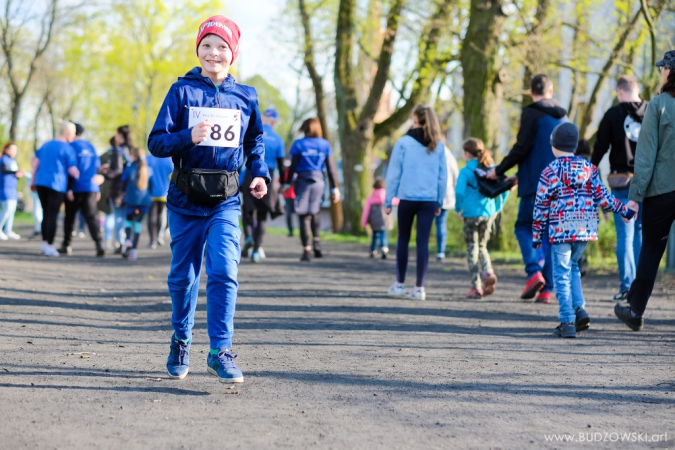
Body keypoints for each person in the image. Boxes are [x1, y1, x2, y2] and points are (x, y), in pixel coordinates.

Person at [148, 15, 270, 383]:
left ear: (232, 52)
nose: (213, 53)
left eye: (221, 47)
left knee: (224, 271)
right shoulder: (181, 91)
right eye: (207, 46)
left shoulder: (245, 95)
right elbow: (156, 142)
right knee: (183, 279)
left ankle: (221, 350)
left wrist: (259, 173)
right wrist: (188, 136)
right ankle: (181, 339)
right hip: (185, 197)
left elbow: (254, 141)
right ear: (198, 50)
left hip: (226, 200)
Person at [533, 123, 634, 338]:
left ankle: (567, 320)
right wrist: (623, 210)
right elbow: (603, 197)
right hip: (584, 229)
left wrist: (536, 234)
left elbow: (541, 205)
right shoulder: (589, 169)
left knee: (561, 274)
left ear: (554, 145)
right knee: (573, 268)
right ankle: (580, 309)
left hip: (561, 230)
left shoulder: (550, 171)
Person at [487, 74, 568, 303]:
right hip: (561, 184)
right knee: (553, 236)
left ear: (531, 92)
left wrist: (499, 170)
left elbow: (522, 147)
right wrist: (516, 175)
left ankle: (533, 272)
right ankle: (546, 290)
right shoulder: (564, 116)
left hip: (536, 184)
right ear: (550, 91)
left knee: (524, 227)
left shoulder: (531, 112)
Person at [615, 51, 675, 331]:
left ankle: (636, 311)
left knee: (651, 250)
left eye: (663, 67)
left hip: (661, 192)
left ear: (670, 71)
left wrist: (635, 197)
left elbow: (646, 155)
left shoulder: (659, 105)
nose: (661, 72)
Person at [591, 75, 646, 300]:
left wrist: (590, 169)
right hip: (647, 182)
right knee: (640, 233)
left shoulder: (612, 114)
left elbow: (600, 147)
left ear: (620, 91)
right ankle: (641, 286)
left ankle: (627, 286)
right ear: (636, 90)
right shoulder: (653, 111)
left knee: (625, 234)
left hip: (622, 183)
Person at [385, 105, 448, 300]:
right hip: (429, 200)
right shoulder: (438, 145)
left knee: (403, 239)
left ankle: (400, 284)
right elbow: (442, 177)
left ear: (415, 120)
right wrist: (439, 201)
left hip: (407, 198)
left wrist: (388, 199)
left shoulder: (403, 143)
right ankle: (419, 288)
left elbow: (394, 174)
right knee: (423, 243)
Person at [455, 138, 510, 299]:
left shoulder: (465, 172)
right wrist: (497, 209)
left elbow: (459, 192)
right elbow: (505, 189)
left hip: (471, 213)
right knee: (482, 246)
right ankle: (488, 272)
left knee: (472, 248)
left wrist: (459, 209)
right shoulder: (489, 169)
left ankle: (476, 286)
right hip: (488, 213)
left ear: (466, 153)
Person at [284, 117, 340, 261]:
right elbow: (331, 168)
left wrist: (286, 183)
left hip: (302, 181)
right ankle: (316, 241)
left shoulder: (298, 144)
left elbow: (293, 167)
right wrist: (335, 188)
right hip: (319, 181)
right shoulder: (325, 144)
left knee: (303, 215)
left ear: (304, 128)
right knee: (314, 211)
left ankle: (306, 249)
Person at [242, 108, 285, 262]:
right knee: (262, 215)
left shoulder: (252, 134)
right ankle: (255, 250)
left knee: (247, 210)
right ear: (273, 122)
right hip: (269, 177)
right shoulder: (278, 139)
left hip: (250, 174)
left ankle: (247, 237)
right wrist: (284, 184)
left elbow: (241, 156)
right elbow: (281, 165)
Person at [31, 121, 80, 257]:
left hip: (41, 182)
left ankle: (44, 243)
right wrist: (80, 174)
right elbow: (72, 170)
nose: (74, 136)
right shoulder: (68, 148)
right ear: (67, 132)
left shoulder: (46, 145)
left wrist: (33, 181)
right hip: (57, 184)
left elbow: (35, 163)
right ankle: (50, 245)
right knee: (52, 215)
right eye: (73, 133)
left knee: (46, 213)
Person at [58, 123, 105, 257]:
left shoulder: (70, 146)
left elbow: (70, 169)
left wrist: (68, 188)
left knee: (70, 217)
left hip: (75, 188)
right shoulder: (91, 147)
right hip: (90, 187)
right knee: (92, 217)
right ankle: (99, 243)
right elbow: (97, 169)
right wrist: (97, 188)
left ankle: (66, 245)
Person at [120, 147, 152, 261]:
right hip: (144, 202)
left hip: (130, 201)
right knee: (138, 224)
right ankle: (134, 249)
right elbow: (151, 186)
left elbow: (122, 184)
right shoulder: (148, 169)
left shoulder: (129, 168)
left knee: (128, 221)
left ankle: (128, 239)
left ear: (133, 156)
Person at [99, 135, 127, 252]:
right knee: (118, 217)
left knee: (110, 216)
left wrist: (106, 172)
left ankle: (108, 241)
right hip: (119, 189)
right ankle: (120, 242)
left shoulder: (104, 155)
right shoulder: (123, 154)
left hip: (108, 189)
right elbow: (119, 170)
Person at [435, 144, 459, 261]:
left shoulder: (429, 152)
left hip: (431, 195)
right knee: (441, 224)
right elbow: (456, 176)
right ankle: (440, 251)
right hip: (446, 195)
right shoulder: (449, 155)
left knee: (426, 223)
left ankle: (423, 249)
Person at [145, 151, 173, 249]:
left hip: (150, 193)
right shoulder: (167, 160)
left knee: (152, 216)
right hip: (164, 192)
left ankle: (152, 240)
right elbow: (172, 176)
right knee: (161, 214)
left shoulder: (147, 159)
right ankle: (159, 236)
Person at [361, 177, 393, 259]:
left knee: (375, 235)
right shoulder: (387, 196)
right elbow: (395, 201)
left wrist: (363, 222)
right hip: (384, 220)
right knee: (383, 234)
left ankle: (373, 250)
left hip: (374, 220)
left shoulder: (371, 197)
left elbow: (366, 211)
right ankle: (384, 248)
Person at [0, 142, 25, 240]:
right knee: (7, 210)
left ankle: (8, 230)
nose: (14, 152)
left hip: (12, 188)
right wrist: (16, 172)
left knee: (12, 210)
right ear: (6, 149)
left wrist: (18, 175)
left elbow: (13, 175)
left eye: (15, 150)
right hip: (5, 188)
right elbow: (5, 171)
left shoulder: (13, 161)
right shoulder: (4, 159)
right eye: (12, 149)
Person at [281, 160, 296, 237]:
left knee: (300, 214)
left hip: (296, 196)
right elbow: (280, 184)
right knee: (289, 215)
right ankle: (291, 231)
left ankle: (303, 231)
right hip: (287, 197)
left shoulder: (294, 174)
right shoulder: (283, 174)